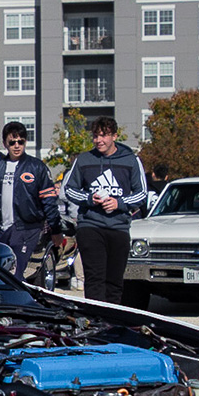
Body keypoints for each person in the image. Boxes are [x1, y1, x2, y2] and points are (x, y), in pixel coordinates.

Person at [61, 117, 147, 304]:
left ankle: (112, 322)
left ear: (115, 136)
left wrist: (119, 203)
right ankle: (94, 320)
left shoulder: (131, 160)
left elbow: (142, 194)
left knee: (114, 281)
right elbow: (68, 189)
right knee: (94, 279)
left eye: (104, 136)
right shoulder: (84, 160)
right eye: (95, 136)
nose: (99, 140)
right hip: (90, 226)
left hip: (119, 227)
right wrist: (89, 199)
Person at [0, 122, 62, 276]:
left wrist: (56, 230)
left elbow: (49, 202)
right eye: (12, 142)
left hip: (28, 229)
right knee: (1, 275)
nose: (17, 146)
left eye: (21, 141)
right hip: (3, 229)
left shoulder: (37, 167)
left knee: (18, 275)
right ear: (4, 144)